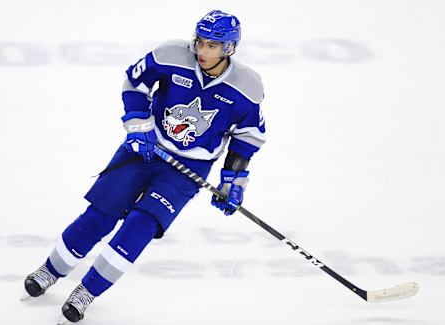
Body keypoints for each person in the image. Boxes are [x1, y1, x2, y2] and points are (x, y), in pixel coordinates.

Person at [23, 9, 266, 323]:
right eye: (200, 42)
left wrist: (232, 181)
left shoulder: (247, 86)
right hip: (144, 149)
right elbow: (134, 81)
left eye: (212, 45)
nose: (202, 51)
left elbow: (248, 137)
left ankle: (87, 292)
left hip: (186, 171)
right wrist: (139, 125)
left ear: (229, 47)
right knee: (100, 214)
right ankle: (50, 270)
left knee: (141, 225)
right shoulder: (171, 54)